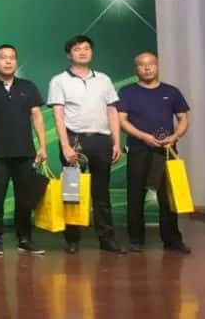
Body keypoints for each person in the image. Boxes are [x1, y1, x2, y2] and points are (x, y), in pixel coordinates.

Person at [47, 34, 125, 254]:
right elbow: (58, 115)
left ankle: (107, 239)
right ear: (68, 54)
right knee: (72, 193)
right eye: (77, 49)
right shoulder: (59, 80)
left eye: (86, 48)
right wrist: (65, 145)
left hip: (101, 140)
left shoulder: (104, 79)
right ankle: (72, 240)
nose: (82, 52)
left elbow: (112, 111)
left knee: (102, 193)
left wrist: (116, 142)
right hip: (75, 141)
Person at [0, 44, 47, 256]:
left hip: (25, 153)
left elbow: (37, 117)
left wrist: (42, 145)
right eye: (3, 57)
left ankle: (24, 239)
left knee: (24, 199)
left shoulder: (28, 87)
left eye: (12, 57)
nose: (8, 61)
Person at [117, 51, 192, 253]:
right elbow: (122, 120)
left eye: (151, 63)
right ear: (136, 69)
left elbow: (183, 119)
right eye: (142, 64)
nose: (147, 67)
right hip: (138, 149)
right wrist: (143, 136)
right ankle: (136, 240)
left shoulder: (171, 91)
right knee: (135, 195)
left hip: (166, 150)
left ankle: (172, 240)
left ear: (157, 66)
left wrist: (175, 136)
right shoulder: (127, 92)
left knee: (167, 196)